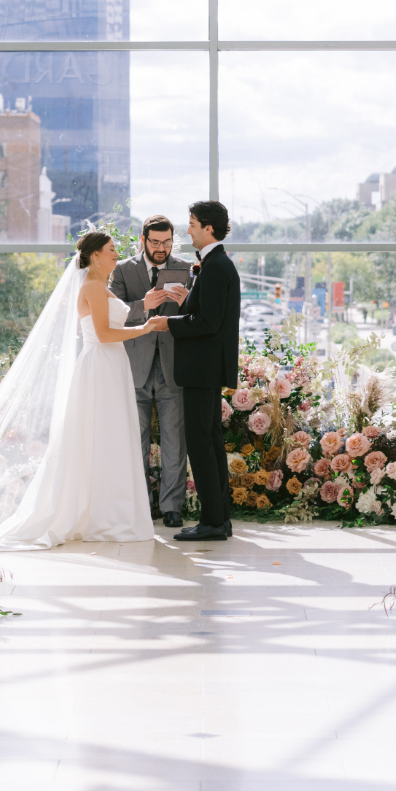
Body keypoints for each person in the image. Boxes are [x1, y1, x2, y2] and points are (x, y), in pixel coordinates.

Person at [0, 232, 169, 547]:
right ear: (94, 256)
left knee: (111, 435)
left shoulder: (98, 287)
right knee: (103, 435)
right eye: (112, 250)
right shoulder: (91, 287)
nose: (117, 254)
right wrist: (144, 328)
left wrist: (141, 314)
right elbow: (104, 334)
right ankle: (106, 515)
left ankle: (110, 510)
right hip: (101, 365)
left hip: (110, 364)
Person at [166, 201, 241, 542]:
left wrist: (167, 322)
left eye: (192, 223)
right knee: (210, 440)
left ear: (208, 228)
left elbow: (208, 323)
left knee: (201, 443)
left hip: (201, 370)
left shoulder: (215, 267)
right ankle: (219, 518)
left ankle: (212, 522)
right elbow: (209, 313)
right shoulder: (216, 264)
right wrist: (188, 300)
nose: (188, 230)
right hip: (208, 369)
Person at [110, 215, 191, 529]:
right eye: (155, 242)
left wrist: (188, 301)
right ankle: (141, 506)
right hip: (134, 366)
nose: (161, 248)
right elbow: (111, 312)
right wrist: (143, 305)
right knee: (136, 440)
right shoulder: (123, 270)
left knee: (174, 440)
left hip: (172, 366)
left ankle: (172, 508)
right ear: (143, 240)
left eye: (167, 241)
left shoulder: (184, 269)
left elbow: (197, 314)